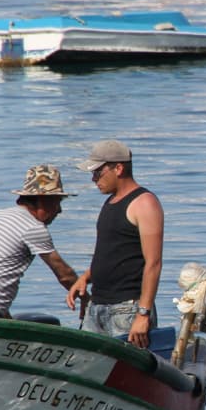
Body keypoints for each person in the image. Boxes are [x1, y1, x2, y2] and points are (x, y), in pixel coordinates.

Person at [0, 164, 81, 319]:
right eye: (57, 202)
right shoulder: (33, 227)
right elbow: (65, 275)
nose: (59, 210)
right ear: (43, 201)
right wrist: (86, 298)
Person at [66, 139, 164, 348]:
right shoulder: (110, 202)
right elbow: (111, 252)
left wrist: (143, 314)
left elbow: (153, 263)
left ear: (118, 168)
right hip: (97, 306)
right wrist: (85, 277)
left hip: (127, 309)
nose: (93, 179)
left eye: (98, 172)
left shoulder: (144, 203)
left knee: (126, 368)